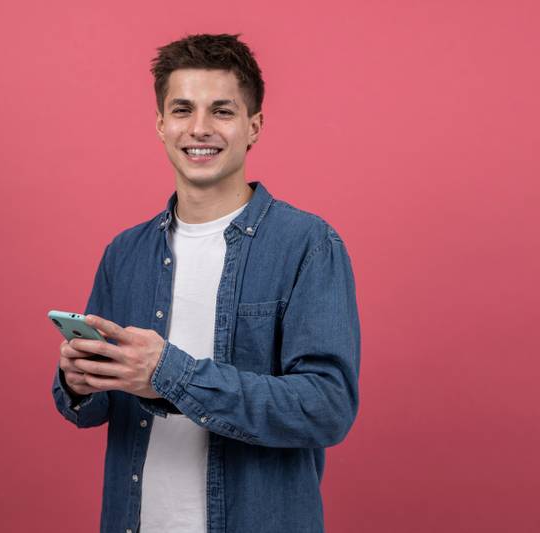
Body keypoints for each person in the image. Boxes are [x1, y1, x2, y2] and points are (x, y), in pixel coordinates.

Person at [51, 33, 361, 533]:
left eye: (221, 111)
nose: (199, 129)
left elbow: (327, 408)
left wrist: (169, 373)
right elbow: (91, 413)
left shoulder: (308, 244)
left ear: (253, 126)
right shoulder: (124, 253)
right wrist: (78, 380)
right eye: (182, 110)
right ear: (160, 124)